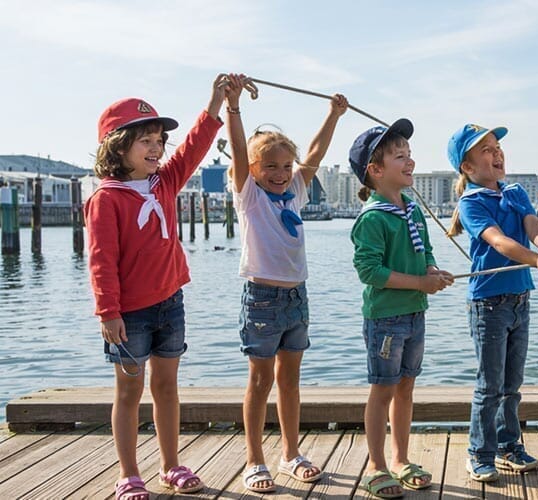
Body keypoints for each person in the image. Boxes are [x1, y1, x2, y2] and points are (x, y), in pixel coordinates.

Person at [86, 75, 228, 499]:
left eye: (158, 140)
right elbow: (101, 261)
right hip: (129, 314)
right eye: (144, 140)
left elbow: (194, 148)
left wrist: (216, 101)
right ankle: (129, 474)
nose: (156, 148)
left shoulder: (163, 183)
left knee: (167, 387)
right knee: (129, 391)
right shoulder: (106, 199)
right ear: (117, 146)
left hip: (171, 302)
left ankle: (171, 465)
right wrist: (107, 311)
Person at [224, 74, 349, 493]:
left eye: (285, 166)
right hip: (261, 298)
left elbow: (315, 152)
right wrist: (234, 107)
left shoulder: (295, 191)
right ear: (255, 170)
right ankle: (254, 459)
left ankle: (291, 453)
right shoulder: (250, 195)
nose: (280, 173)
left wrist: (333, 114)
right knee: (259, 382)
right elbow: (240, 150)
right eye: (270, 167)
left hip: (297, 295)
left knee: (290, 381)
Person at [446, 124, 538, 481]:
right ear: (467, 168)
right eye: (485, 150)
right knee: (490, 385)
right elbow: (499, 242)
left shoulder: (514, 192)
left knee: (512, 384)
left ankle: (508, 445)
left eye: (497, 146)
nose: (496, 153)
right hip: (489, 305)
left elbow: (532, 225)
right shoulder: (471, 202)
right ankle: (479, 452)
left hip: (519, 300)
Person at [350, 119, 454, 498]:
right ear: (375, 171)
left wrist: (431, 270)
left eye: (409, 155)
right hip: (386, 318)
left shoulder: (411, 208)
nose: (410, 161)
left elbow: (424, 250)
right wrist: (420, 283)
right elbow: (369, 272)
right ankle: (375, 466)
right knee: (382, 389)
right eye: (399, 157)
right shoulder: (373, 218)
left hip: (415, 312)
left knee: (406, 388)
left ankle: (400, 458)